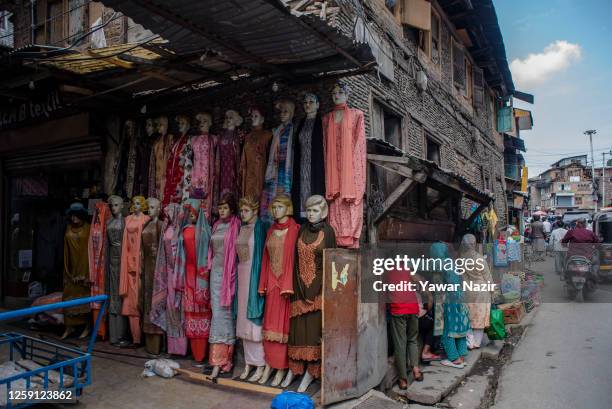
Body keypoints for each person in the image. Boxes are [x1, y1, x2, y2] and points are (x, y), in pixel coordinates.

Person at [430, 242, 471, 369]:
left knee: (448, 330)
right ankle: (462, 355)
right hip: (461, 299)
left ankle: (454, 358)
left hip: (449, 301)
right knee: (460, 328)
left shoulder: (439, 264)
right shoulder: (452, 263)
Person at [387, 269, 423, 389]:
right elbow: (419, 281)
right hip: (412, 308)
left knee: (400, 344)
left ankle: (403, 380)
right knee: (412, 339)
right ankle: (416, 370)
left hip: (398, 310)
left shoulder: (384, 271)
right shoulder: (405, 269)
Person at [460, 234, 493, 350]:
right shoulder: (479, 259)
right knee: (480, 315)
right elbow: (487, 277)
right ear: (474, 244)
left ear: (464, 244)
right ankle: (477, 343)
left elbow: (463, 277)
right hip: (482, 290)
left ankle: (470, 341)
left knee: (469, 315)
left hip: (469, 290)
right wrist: (492, 290)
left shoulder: (462, 259)